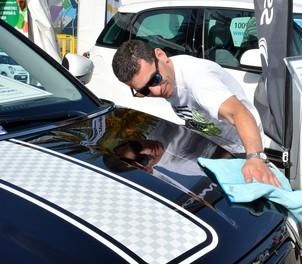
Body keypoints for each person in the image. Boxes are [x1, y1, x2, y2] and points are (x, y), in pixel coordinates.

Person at [112, 39, 280, 187]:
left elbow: (239, 112)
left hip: (241, 151)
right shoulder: (168, 74)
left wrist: (255, 158)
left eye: (155, 79)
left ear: (161, 55)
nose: (155, 91)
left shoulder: (198, 80)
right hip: (215, 149)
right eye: (144, 90)